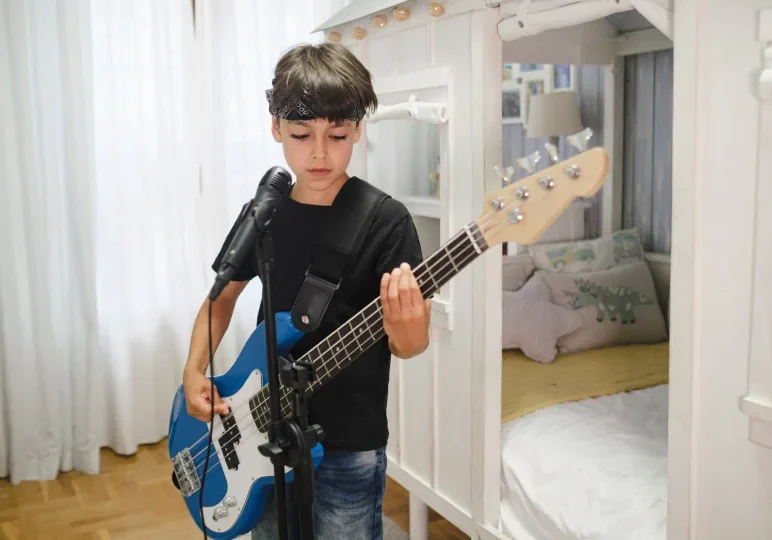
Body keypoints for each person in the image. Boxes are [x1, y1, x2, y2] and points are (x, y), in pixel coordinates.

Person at [181, 41, 430, 540]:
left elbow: (409, 346)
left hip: (348, 444)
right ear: (276, 128)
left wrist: (411, 330)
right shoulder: (264, 213)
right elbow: (221, 297)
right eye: (301, 134)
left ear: (358, 130)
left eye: (337, 135)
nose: (319, 152)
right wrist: (192, 370)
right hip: (262, 437)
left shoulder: (386, 221)